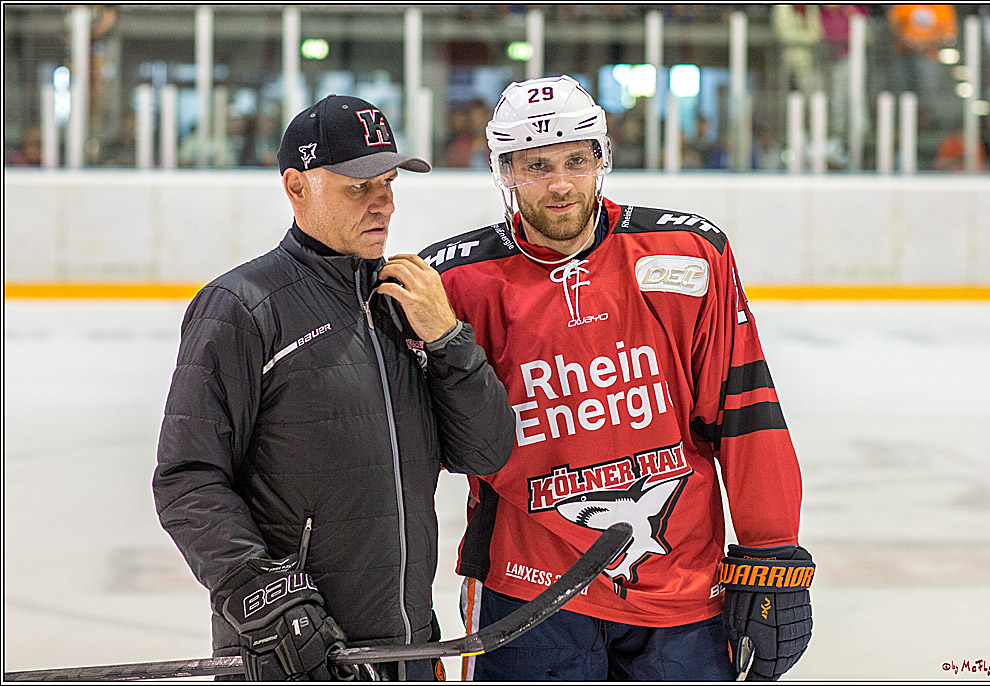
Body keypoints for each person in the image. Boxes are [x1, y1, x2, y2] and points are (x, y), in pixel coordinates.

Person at [420, 76, 813, 681]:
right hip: (527, 593)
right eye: (536, 165)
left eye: (576, 160)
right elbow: (404, 455)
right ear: (504, 172)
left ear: (601, 159)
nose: (559, 184)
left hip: (682, 587)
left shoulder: (686, 254)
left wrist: (773, 555)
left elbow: (745, 409)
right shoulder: (456, 283)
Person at [153, 94, 515, 682]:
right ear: (296, 187)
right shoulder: (242, 309)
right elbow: (187, 478)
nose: (384, 203)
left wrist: (448, 338)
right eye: (358, 186)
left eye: (390, 182)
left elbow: (485, 452)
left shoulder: (405, 304)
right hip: (297, 656)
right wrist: (262, 593)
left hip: (406, 650)